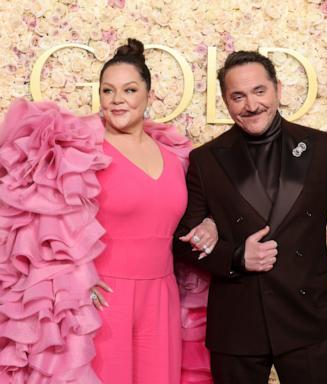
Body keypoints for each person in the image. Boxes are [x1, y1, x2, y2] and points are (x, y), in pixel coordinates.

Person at [0, 38, 217, 383]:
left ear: (149, 94)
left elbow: (193, 218)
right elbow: (41, 224)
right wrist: (74, 281)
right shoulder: (81, 152)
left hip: (162, 296)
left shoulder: (177, 156)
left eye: (129, 90)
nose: (117, 100)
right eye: (108, 91)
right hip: (102, 299)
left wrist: (209, 223)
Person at [173, 50, 327, 384]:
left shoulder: (320, 147)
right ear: (226, 101)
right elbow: (184, 241)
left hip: (309, 317)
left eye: (259, 91)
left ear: (277, 88)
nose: (251, 105)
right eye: (238, 96)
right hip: (238, 323)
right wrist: (236, 256)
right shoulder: (205, 160)